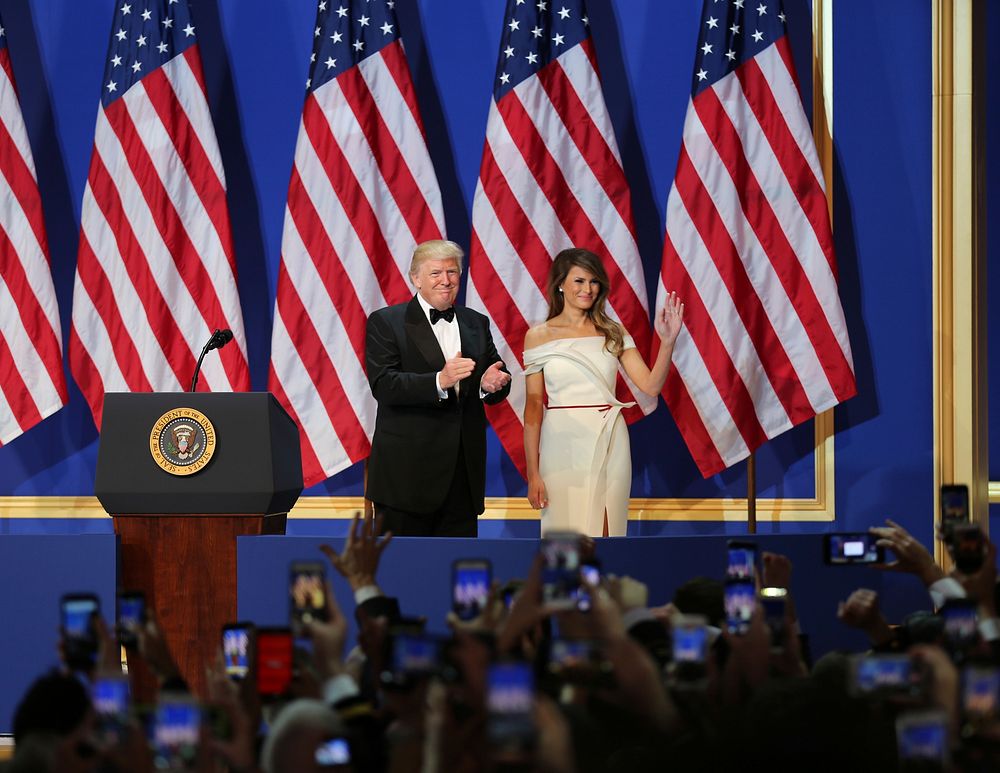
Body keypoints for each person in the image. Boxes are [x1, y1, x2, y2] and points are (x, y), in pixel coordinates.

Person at [522, 248, 683, 537]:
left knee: (608, 532)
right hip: (562, 443)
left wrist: (667, 342)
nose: (588, 289)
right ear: (560, 284)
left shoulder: (613, 331)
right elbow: (533, 406)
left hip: (610, 436)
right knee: (565, 538)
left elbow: (651, 386)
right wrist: (533, 473)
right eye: (580, 281)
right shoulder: (539, 335)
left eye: (594, 282)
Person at [365, 240, 511, 537]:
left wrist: (490, 385)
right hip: (406, 478)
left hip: (462, 476)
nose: (446, 280)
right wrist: (438, 381)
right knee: (403, 575)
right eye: (435, 273)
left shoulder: (476, 322)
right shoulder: (387, 322)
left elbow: (495, 374)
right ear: (415, 278)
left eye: (452, 272)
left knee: (458, 572)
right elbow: (384, 384)